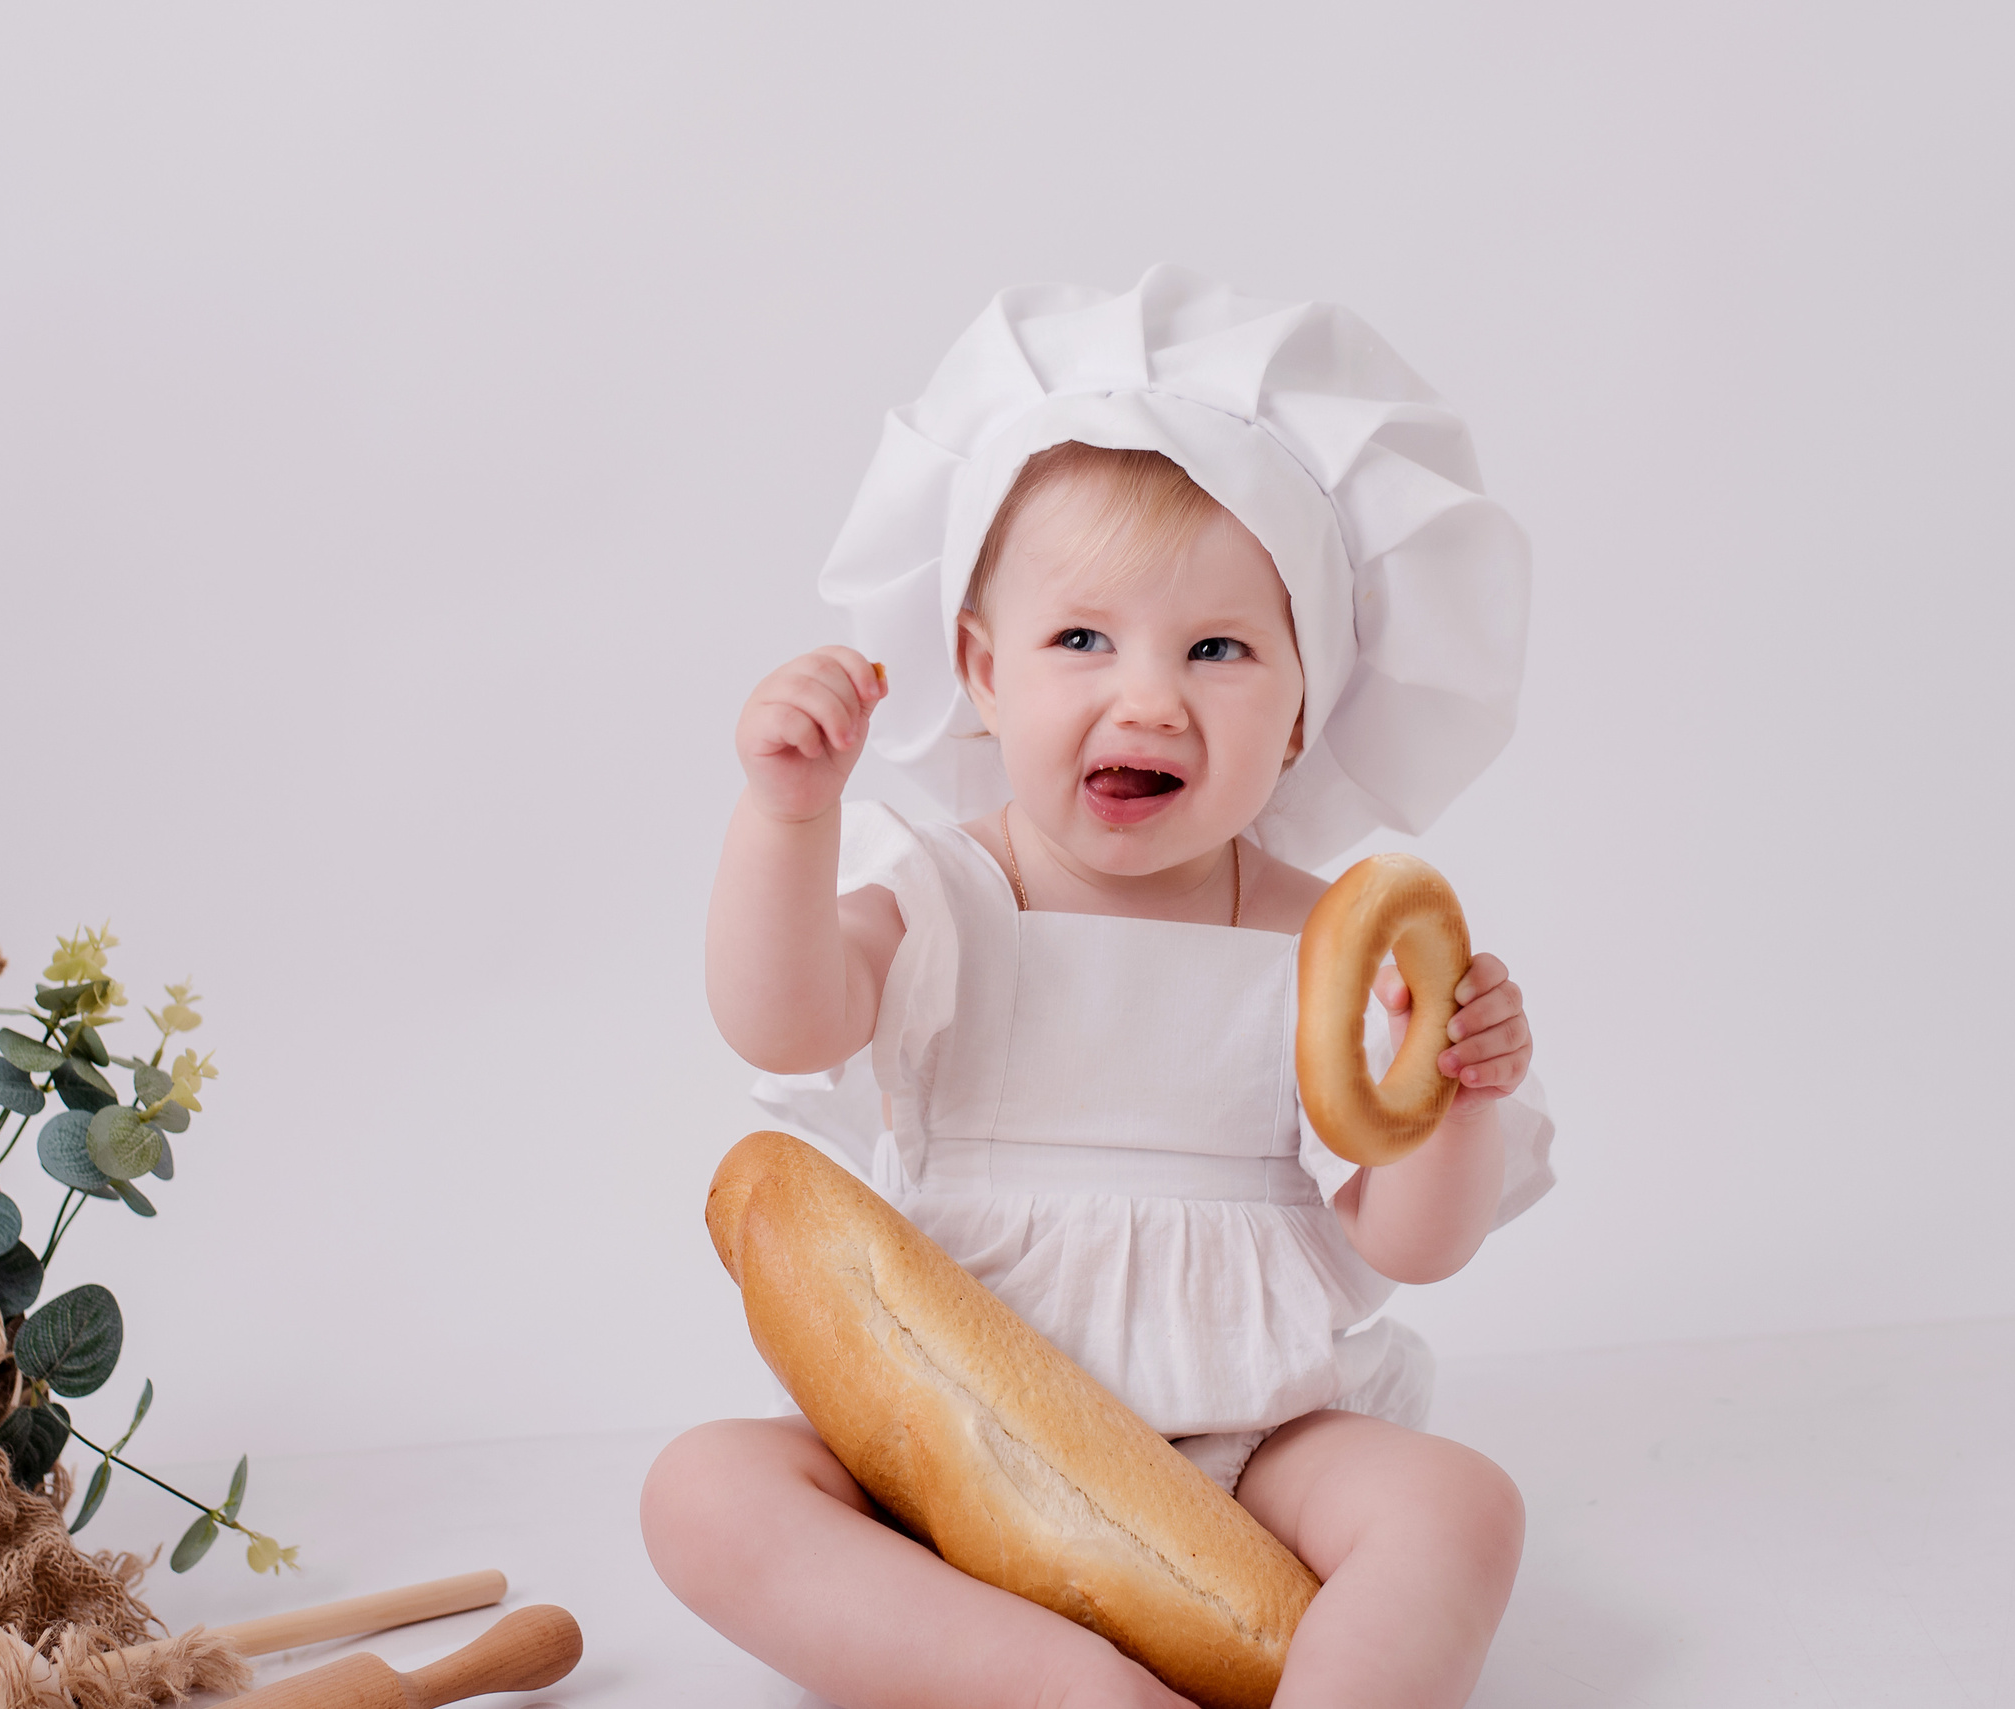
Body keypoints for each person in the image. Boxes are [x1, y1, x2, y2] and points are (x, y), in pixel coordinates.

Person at [642, 267, 1556, 1708]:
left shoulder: (1336, 942)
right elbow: (786, 1016)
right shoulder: (945, 891)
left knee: (1462, 1505)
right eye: (1082, 638)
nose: (1148, 698)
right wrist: (787, 818)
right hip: (946, 1427)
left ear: (1306, 705)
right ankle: (1053, 1682)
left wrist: (1453, 1096)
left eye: (1219, 649)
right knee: (704, 1486)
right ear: (979, 668)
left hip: (1247, 1447)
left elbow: (1416, 1242)